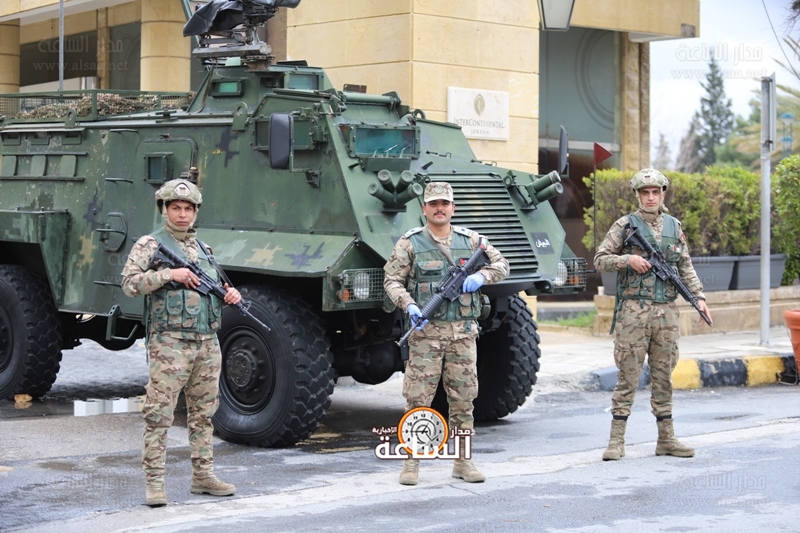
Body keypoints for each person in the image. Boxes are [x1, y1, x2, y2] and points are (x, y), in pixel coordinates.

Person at [121, 178, 242, 507]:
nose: (183, 214)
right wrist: (168, 275)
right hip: (170, 344)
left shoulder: (205, 250)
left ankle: (203, 476)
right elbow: (129, 284)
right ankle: (155, 483)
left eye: (188, 208)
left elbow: (212, 292)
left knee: (204, 414)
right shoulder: (150, 244)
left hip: (207, 343)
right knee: (158, 414)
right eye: (176, 207)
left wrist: (230, 295)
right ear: (164, 209)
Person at [384, 181, 509, 486]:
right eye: (433, 204)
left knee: (464, 401)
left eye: (444, 204)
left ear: (453, 208)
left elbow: (502, 264)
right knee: (418, 400)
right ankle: (411, 462)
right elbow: (391, 281)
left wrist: (482, 276)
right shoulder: (410, 243)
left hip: (463, 336)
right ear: (424, 208)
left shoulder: (472, 240)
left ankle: (463, 462)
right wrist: (409, 304)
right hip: (426, 336)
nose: (439, 209)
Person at [594, 168, 712, 462]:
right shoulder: (625, 225)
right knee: (628, 376)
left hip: (666, 314)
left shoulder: (674, 226)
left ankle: (666, 439)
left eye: (655, 192)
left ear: (663, 194)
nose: (650, 197)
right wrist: (628, 259)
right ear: (637, 195)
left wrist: (699, 297)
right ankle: (616, 441)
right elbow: (600, 259)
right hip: (634, 312)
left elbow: (685, 265)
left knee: (664, 377)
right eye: (645, 192)